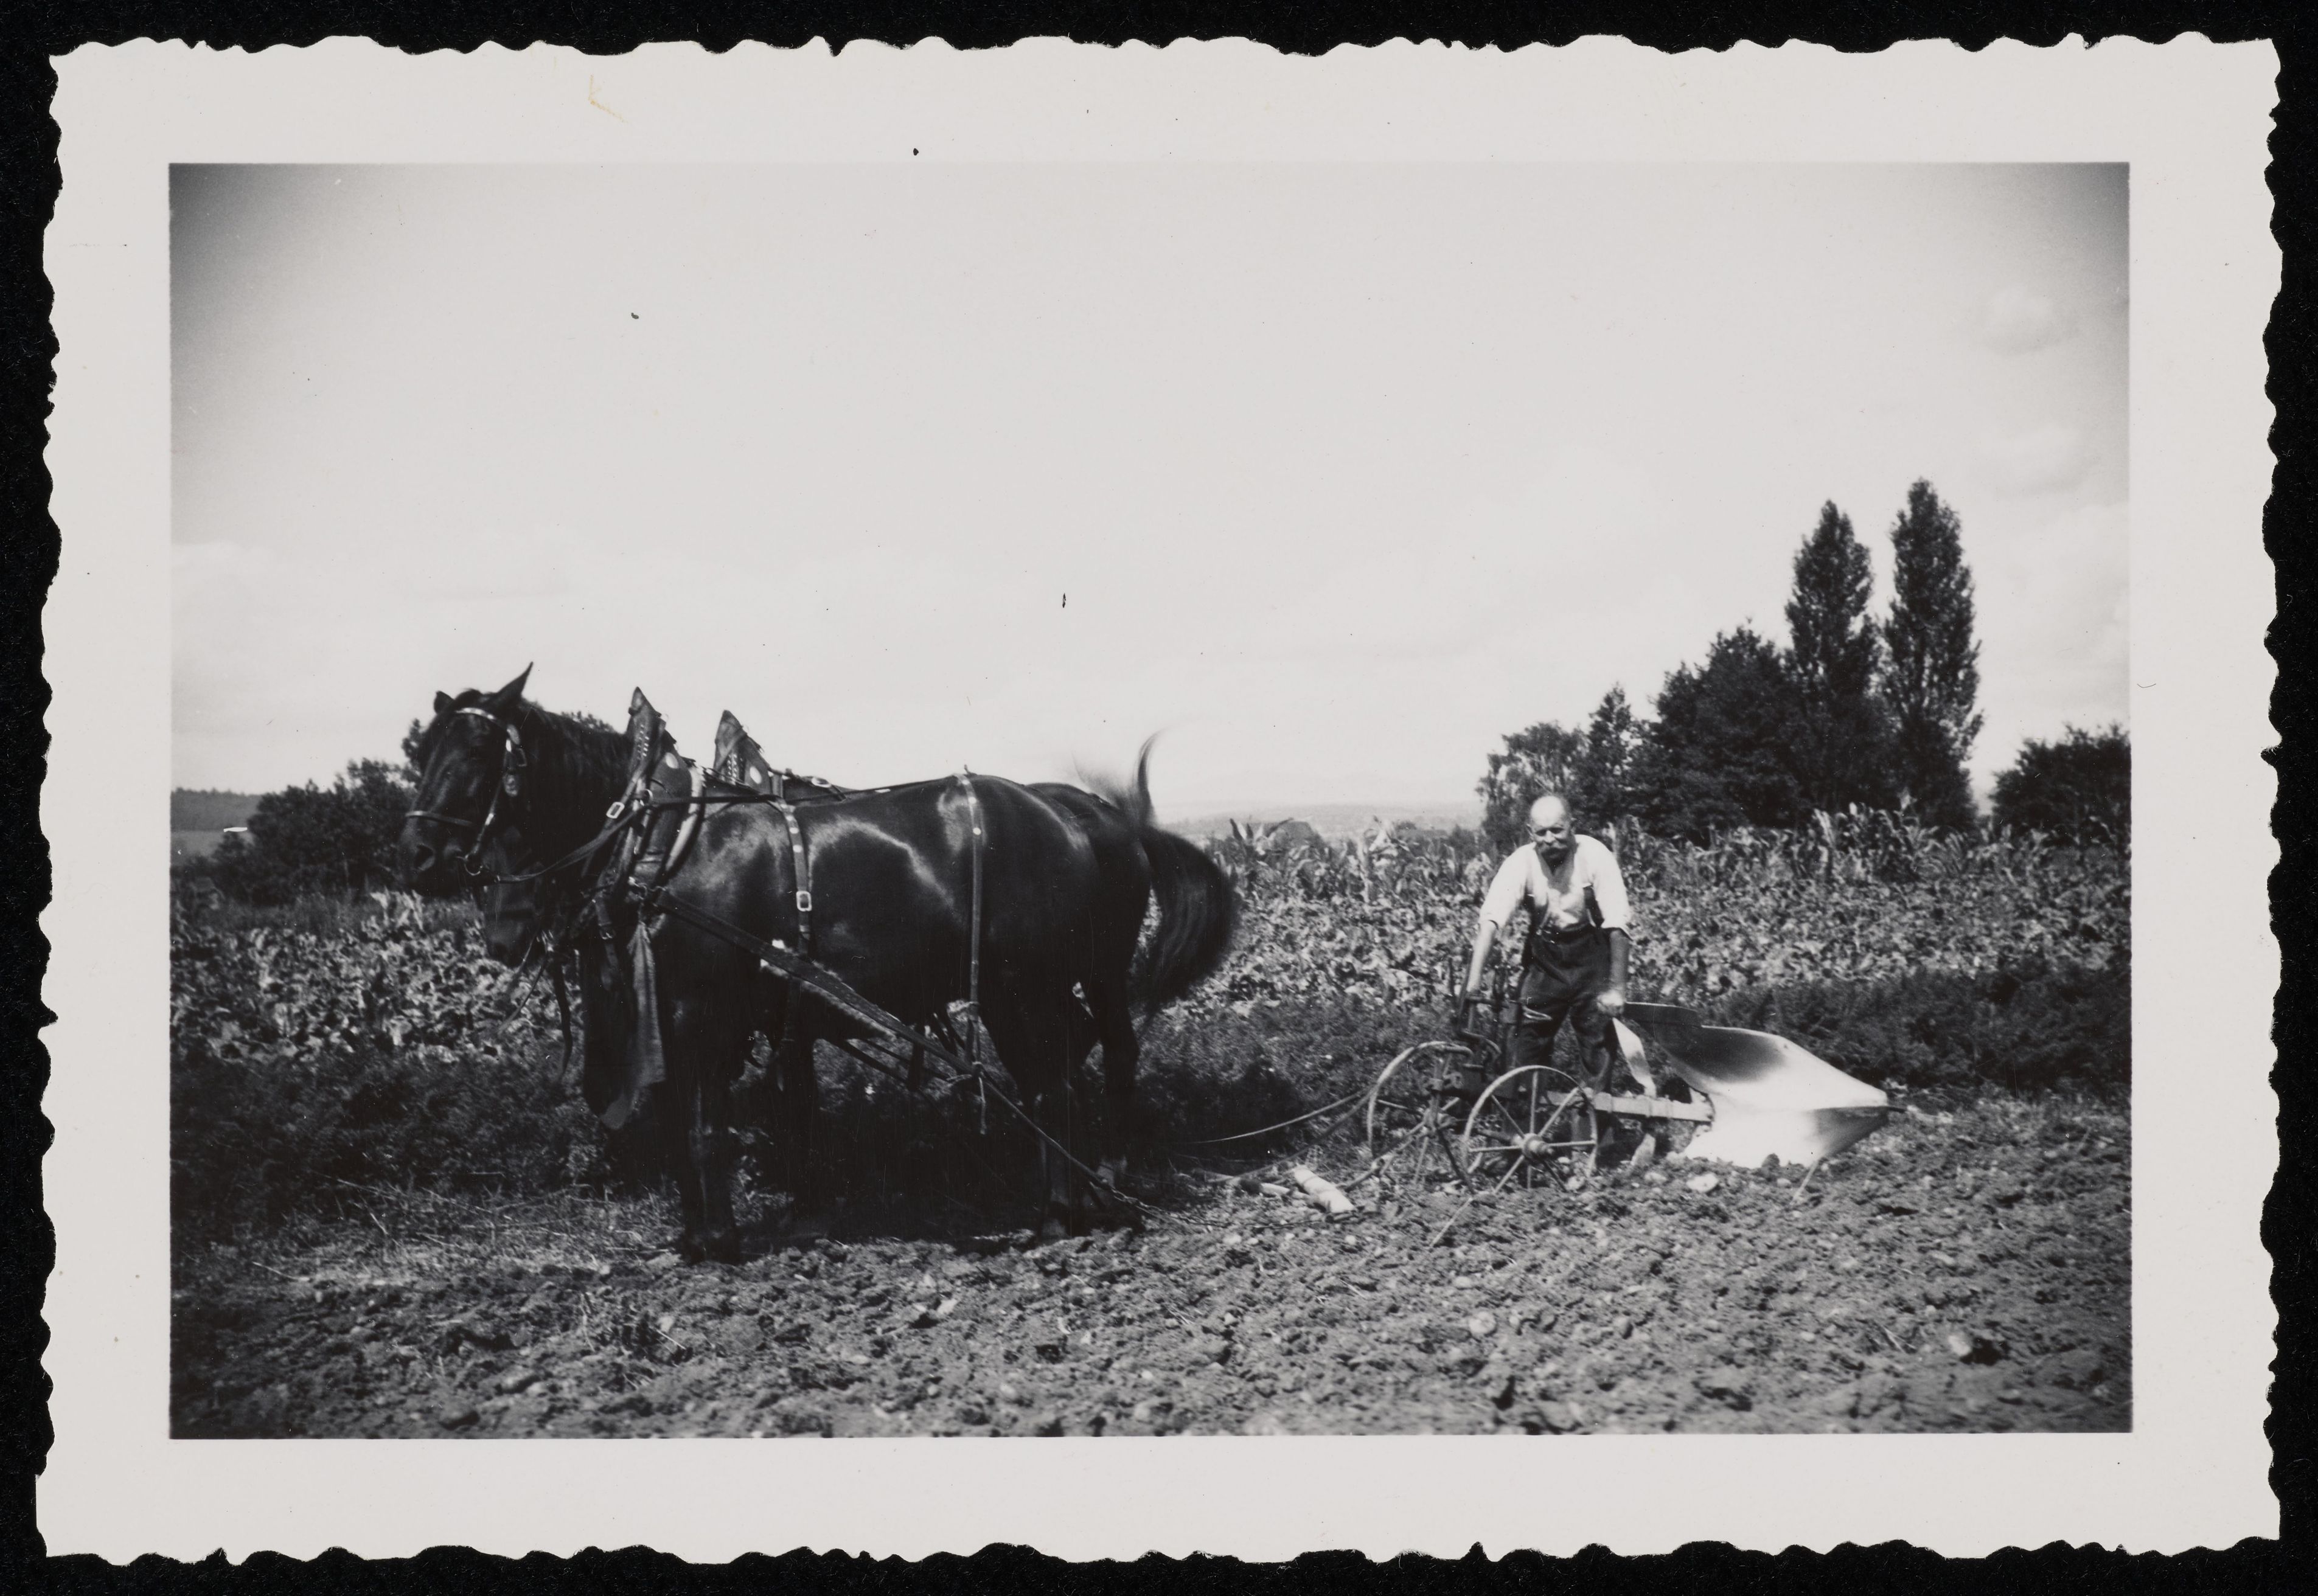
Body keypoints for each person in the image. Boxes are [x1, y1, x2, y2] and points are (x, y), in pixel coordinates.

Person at [1459, 792, 1634, 1090]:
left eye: (1557, 830)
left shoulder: (1595, 856)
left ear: (1572, 826)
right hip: (1546, 963)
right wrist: (1473, 983)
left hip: (1592, 961)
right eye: (1541, 833)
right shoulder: (1521, 862)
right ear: (1531, 833)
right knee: (1524, 1038)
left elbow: (1618, 924)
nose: (1550, 839)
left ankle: (1597, 1115)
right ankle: (1522, 1111)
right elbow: (1490, 922)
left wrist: (1617, 989)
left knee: (1597, 1043)